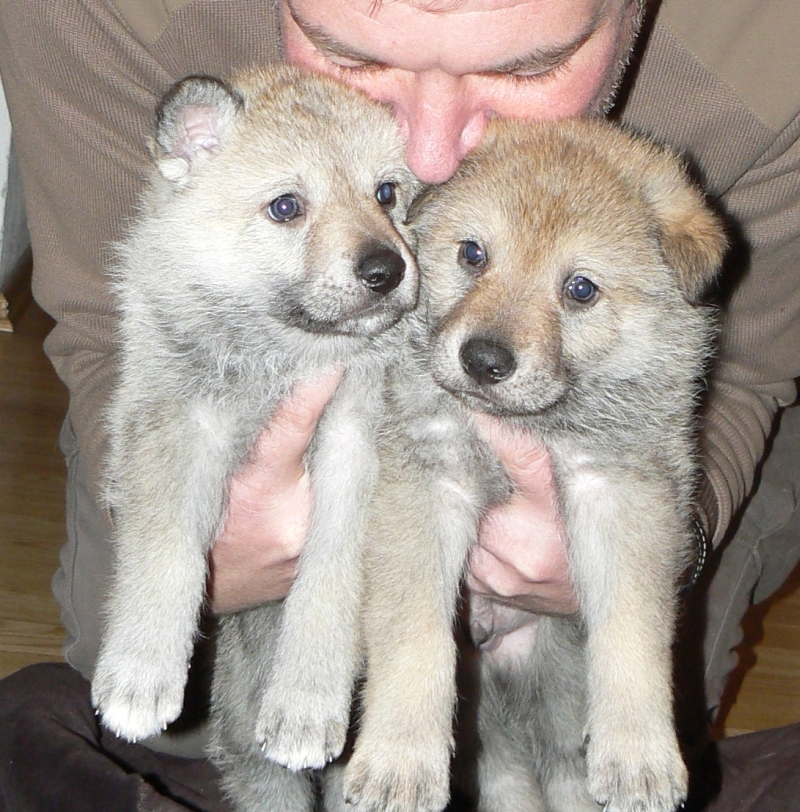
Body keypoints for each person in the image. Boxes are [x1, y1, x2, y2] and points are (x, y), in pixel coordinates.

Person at [0, 0, 797, 753]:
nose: (428, 157)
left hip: (629, 407)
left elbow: (752, 370)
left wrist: (670, 540)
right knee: (164, 732)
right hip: (240, 354)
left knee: (609, 738)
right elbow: (104, 318)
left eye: (525, 69)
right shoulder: (101, 9)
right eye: (352, 54)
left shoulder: (778, 57)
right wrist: (181, 534)